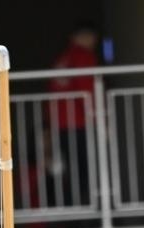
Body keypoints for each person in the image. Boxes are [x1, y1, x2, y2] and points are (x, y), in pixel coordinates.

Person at [48, 21, 99, 209]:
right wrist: (96, 116)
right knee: (86, 170)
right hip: (78, 122)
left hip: (61, 123)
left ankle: (71, 210)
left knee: (72, 170)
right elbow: (86, 88)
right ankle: (83, 210)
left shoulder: (63, 58)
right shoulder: (83, 55)